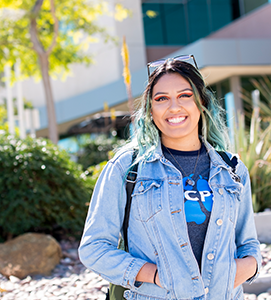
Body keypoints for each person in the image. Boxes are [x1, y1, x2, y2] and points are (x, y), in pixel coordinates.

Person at [79, 55, 261, 300]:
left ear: (201, 103)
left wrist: (247, 268)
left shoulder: (232, 169)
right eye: (161, 99)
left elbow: (247, 243)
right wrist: (155, 275)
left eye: (185, 96)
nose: (174, 107)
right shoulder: (127, 168)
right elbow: (94, 248)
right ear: (150, 110)